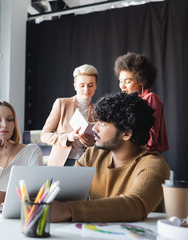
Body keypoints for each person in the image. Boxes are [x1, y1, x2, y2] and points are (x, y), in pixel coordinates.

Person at [50, 92, 170, 223]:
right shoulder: (93, 155)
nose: (94, 128)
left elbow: (135, 205)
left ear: (126, 133)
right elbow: (67, 187)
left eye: (102, 123)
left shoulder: (154, 165)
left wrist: (68, 210)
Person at [41, 64, 98, 166]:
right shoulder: (62, 104)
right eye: (82, 85)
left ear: (96, 86)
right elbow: (44, 135)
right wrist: (68, 137)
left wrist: (91, 143)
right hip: (61, 162)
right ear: (75, 86)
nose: (86, 89)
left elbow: (99, 143)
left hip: (85, 162)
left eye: (90, 85)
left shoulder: (98, 111)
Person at [115, 52, 169, 153]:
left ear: (141, 81)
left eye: (127, 81)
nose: (122, 86)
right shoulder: (126, 101)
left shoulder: (150, 98)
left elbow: (150, 139)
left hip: (147, 155)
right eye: (120, 81)